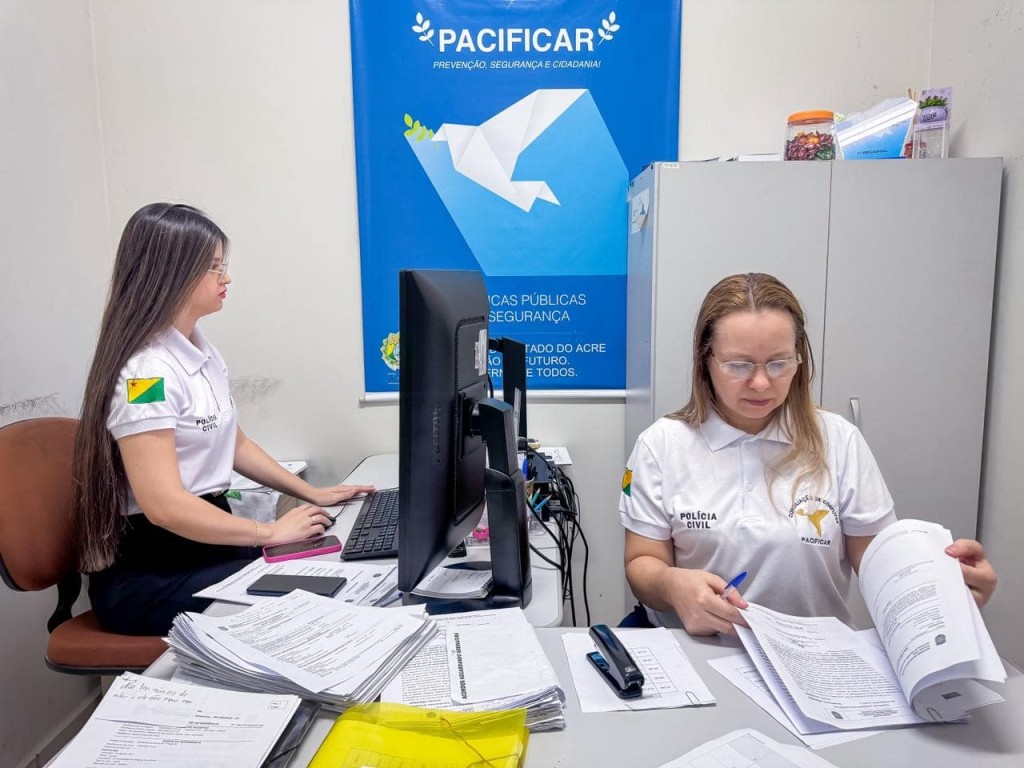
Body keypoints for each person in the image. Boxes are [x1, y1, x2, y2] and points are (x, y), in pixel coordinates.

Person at [620, 272, 997, 635]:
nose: (761, 383)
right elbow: (642, 562)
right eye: (739, 365)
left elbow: (880, 564)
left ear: (799, 360)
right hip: (696, 649)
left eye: (779, 363)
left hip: (815, 656)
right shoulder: (662, 445)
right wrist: (671, 584)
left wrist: (941, 588)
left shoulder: (838, 440)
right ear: (706, 360)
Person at [73, 203, 374, 635]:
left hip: (207, 547)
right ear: (172, 273)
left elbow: (235, 443)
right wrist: (269, 532)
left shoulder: (202, 352)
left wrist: (313, 493)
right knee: (314, 599)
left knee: (335, 567)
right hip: (153, 573)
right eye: (214, 267)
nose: (226, 278)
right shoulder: (146, 375)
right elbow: (164, 506)